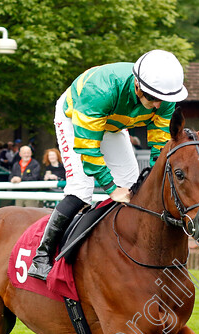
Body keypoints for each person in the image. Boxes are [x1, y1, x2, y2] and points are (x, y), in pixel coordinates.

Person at [27, 49, 187, 280]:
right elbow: (89, 149)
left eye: (162, 100)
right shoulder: (100, 90)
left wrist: (155, 172)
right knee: (81, 190)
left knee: (135, 188)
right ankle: (42, 256)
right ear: (138, 86)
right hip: (76, 117)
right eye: (152, 99)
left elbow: (160, 142)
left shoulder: (164, 97)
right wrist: (111, 189)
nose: (157, 105)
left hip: (114, 123)